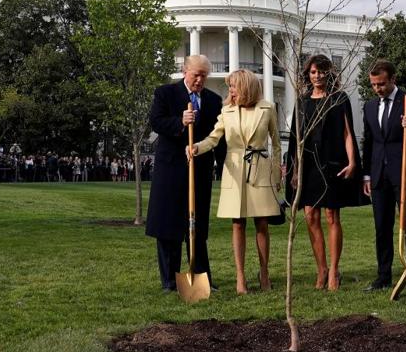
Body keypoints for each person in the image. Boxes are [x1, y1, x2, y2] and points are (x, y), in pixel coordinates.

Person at [189, 69, 281, 295]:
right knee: (238, 224)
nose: (231, 90)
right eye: (230, 86)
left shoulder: (267, 108)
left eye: (234, 86)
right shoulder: (226, 110)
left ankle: (264, 272)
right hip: (234, 171)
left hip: (260, 170)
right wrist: (197, 147)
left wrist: (277, 175)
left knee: (262, 223)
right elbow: (214, 138)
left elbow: (277, 145)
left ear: (247, 87)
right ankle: (240, 278)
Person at [146, 55, 226, 293]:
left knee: (197, 226)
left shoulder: (213, 100)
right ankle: (170, 280)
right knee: (169, 224)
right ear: (185, 71)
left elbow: (218, 136)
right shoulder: (165, 94)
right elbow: (156, 122)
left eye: (204, 75)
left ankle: (201, 276)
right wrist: (179, 121)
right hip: (171, 170)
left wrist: (223, 166)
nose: (199, 80)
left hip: (199, 170)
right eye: (196, 75)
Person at [286, 54, 365, 291]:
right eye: (312, 72)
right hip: (308, 165)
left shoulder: (338, 98)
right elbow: (295, 139)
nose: (317, 76)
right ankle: (321, 269)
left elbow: (348, 133)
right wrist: (295, 169)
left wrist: (352, 162)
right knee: (310, 216)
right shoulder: (302, 101)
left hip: (333, 164)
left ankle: (334, 270)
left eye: (321, 71)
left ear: (328, 73)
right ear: (307, 75)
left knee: (332, 216)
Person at [362, 59, 406, 292]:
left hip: (404, 173)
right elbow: (369, 142)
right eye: (373, 85)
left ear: (393, 80)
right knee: (382, 226)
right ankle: (383, 276)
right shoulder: (369, 107)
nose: (377, 89)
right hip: (379, 175)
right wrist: (367, 175)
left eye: (381, 84)